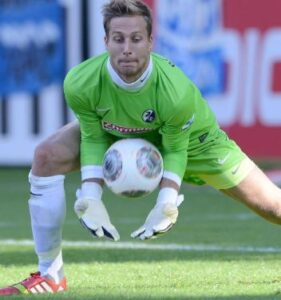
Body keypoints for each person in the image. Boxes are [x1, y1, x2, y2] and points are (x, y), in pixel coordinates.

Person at [1, 0, 281, 295]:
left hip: (196, 143)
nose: (127, 48)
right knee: (47, 155)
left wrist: (166, 204)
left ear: (150, 42)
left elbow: (175, 150)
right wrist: (91, 195)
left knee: (273, 206)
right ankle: (50, 274)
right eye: (118, 39)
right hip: (116, 131)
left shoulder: (175, 92)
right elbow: (93, 138)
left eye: (136, 39)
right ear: (105, 41)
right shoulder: (80, 83)